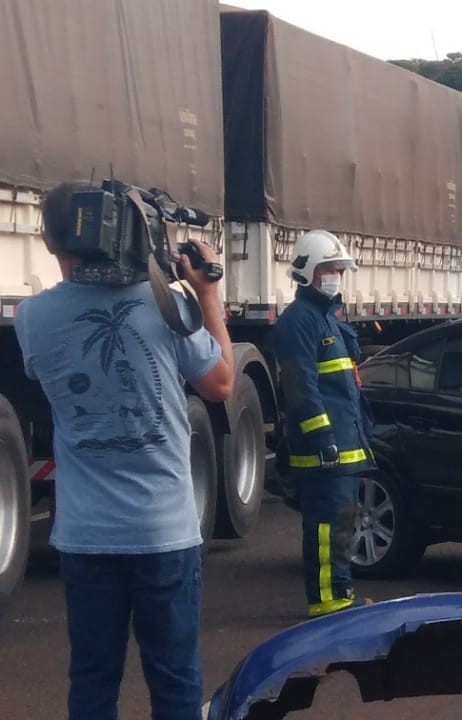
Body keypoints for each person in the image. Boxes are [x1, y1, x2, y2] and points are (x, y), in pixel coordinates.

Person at [17, 182, 235, 719]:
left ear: (48, 240)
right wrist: (205, 292)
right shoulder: (168, 309)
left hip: (85, 537)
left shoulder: (31, 319)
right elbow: (222, 385)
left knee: (92, 680)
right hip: (164, 533)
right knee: (175, 677)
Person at [274, 229, 376, 618]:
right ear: (309, 272)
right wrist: (323, 439)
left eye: (340, 269)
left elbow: (345, 388)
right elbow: (302, 389)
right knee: (325, 528)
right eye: (331, 269)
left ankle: (340, 592)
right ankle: (327, 601)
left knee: (342, 525)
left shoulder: (326, 319)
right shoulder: (298, 322)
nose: (338, 276)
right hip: (324, 453)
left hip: (343, 449)